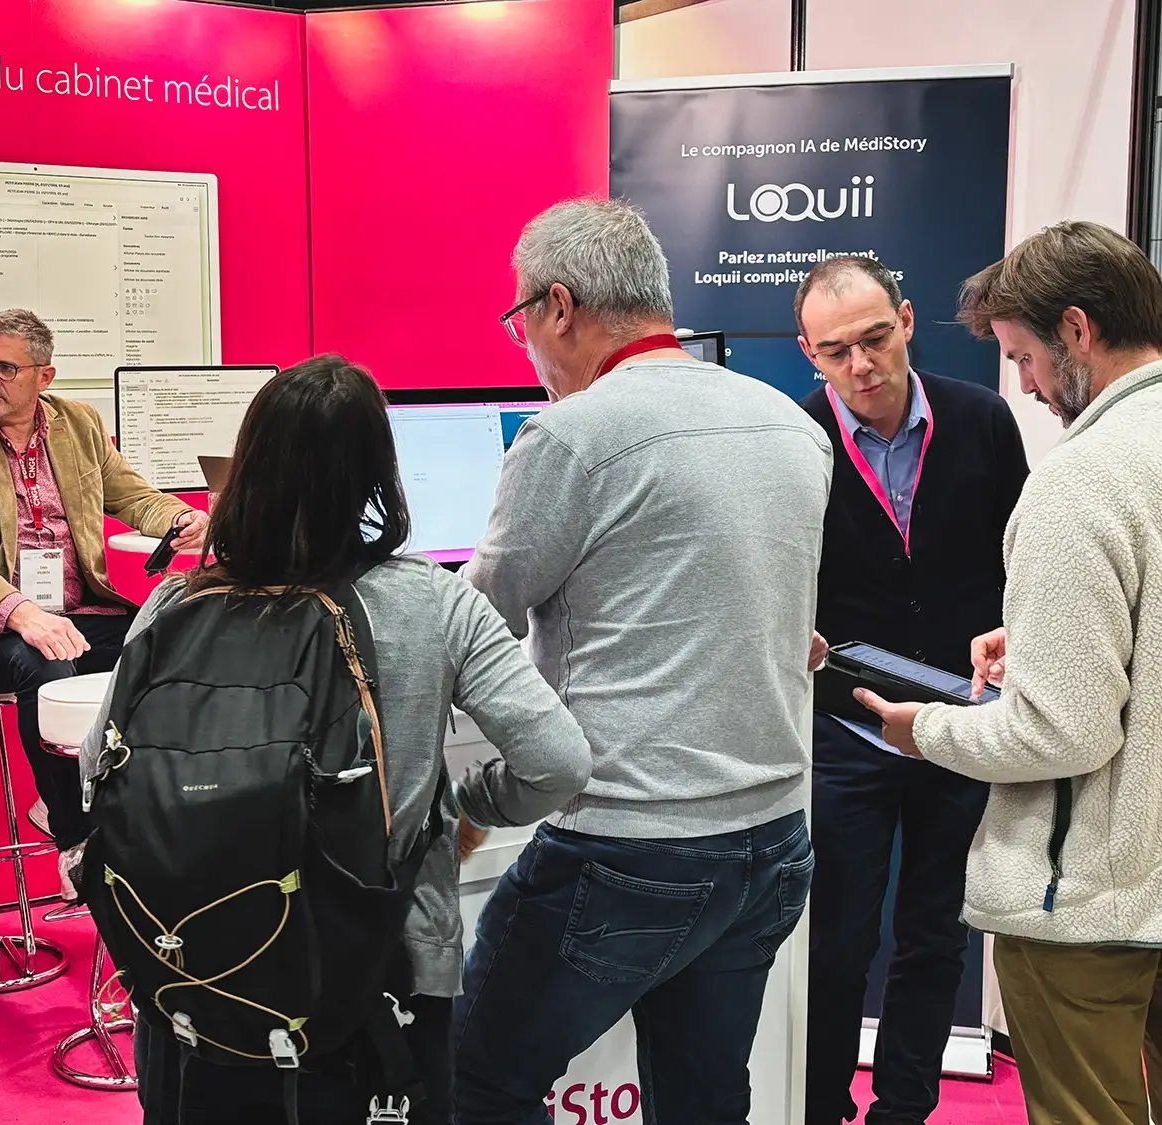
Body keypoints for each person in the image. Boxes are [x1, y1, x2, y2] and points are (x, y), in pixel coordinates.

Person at [77, 356, 592, 1124]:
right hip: (381, 975)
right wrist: (463, 803)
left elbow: (98, 771)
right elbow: (559, 761)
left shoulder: (174, 602)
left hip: (190, 971)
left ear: (245, 464)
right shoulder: (436, 602)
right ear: (377, 476)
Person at [452, 198, 833, 1125]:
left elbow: (473, 622)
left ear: (559, 306)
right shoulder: (790, 422)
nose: (529, 350)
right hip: (774, 838)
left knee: (471, 1079)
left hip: (626, 841)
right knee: (703, 1098)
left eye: (520, 322)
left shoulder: (573, 436)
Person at [856, 220, 1162, 1125]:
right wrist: (1035, 634)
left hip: (1092, 907)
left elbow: (1060, 732)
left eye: (1024, 356)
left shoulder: (1084, 478)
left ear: (1076, 330)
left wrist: (924, 730)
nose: (1025, 385)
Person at [793, 257, 1029, 1125]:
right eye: (836, 350)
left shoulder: (983, 419)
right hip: (845, 736)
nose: (860, 365)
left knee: (935, 937)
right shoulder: (798, 443)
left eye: (874, 338)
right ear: (809, 354)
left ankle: (903, 1110)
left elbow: (1023, 567)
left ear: (906, 319)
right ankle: (819, 1109)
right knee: (836, 945)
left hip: (960, 731)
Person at [0, 309, 206, 895]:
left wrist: (178, 517)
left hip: (78, 610)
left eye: (5, 368)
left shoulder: (79, 423)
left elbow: (129, 492)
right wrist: (20, 611)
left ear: (45, 376)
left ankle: (114, 804)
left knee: (174, 644)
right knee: (44, 665)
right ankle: (76, 837)